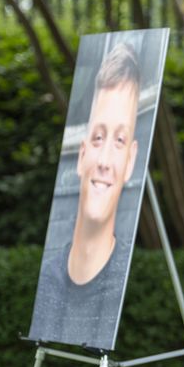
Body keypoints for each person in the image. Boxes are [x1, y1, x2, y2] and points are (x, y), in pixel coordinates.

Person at [28, 42, 141, 350]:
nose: (104, 161)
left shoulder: (122, 282)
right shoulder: (50, 278)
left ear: (130, 161)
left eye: (119, 140)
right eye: (98, 137)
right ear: (81, 154)